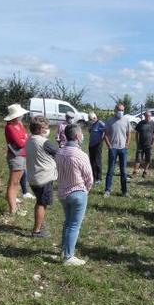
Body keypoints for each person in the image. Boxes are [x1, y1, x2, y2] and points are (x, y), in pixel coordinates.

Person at [55, 124, 94, 266]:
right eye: (81, 134)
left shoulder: (59, 152)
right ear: (77, 136)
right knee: (74, 225)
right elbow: (89, 177)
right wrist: (86, 190)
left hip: (62, 192)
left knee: (67, 222)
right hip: (77, 192)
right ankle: (68, 256)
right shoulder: (81, 155)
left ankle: (64, 250)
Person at [25, 116, 58, 238]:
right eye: (46, 127)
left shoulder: (29, 139)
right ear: (39, 129)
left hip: (34, 176)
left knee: (39, 201)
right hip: (44, 177)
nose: (48, 129)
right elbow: (57, 152)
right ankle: (37, 231)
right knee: (41, 203)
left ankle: (38, 225)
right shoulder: (44, 142)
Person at [3, 104, 30, 216]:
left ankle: (14, 206)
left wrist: (24, 139)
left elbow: (25, 137)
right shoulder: (9, 127)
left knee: (16, 182)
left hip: (22, 155)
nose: (21, 117)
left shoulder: (19, 124)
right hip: (15, 157)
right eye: (20, 115)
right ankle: (13, 209)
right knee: (13, 183)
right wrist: (24, 139)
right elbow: (20, 143)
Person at [104, 103, 131, 197]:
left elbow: (128, 134)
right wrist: (109, 146)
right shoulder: (110, 120)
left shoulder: (126, 121)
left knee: (123, 171)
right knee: (110, 170)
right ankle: (107, 190)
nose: (121, 112)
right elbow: (106, 134)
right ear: (115, 110)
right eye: (119, 110)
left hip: (123, 149)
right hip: (113, 149)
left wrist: (127, 145)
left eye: (122, 110)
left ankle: (124, 191)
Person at [131, 110, 154, 178]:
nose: (148, 117)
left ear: (151, 116)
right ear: (144, 116)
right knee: (138, 159)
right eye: (146, 116)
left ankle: (145, 172)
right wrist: (137, 142)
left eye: (149, 116)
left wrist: (153, 143)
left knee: (148, 159)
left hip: (149, 145)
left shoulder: (153, 124)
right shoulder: (140, 123)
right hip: (140, 144)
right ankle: (135, 172)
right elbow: (137, 133)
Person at [87, 112, 106, 183]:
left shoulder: (100, 123)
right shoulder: (91, 124)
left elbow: (106, 129)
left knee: (97, 161)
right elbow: (90, 131)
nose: (90, 121)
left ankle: (99, 178)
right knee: (92, 161)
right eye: (89, 119)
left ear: (95, 118)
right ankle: (93, 177)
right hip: (91, 144)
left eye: (91, 119)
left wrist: (102, 138)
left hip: (98, 144)